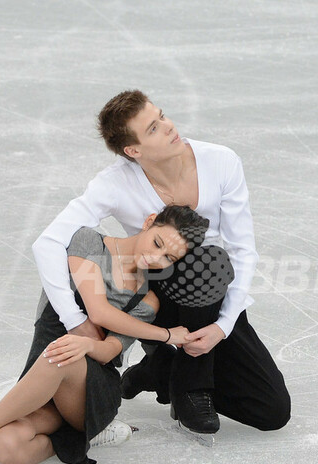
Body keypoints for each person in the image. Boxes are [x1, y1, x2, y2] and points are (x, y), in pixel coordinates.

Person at [32, 90, 290, 436]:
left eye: (163, 116)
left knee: (271, 410)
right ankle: (189, 389)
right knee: (201, 259)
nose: (169, 127)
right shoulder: (115, 183)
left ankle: (161, 371)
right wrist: (75, 320)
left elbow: (243, 250)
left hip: (211, 297)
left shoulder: (220, 161)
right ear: (133, 151)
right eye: (153, 128)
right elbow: (47, 242)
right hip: (156, 298)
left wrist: (224, 325)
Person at [0, 206, 209, 464]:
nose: (156, 258)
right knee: (7, 448)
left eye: (169, 258)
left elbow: (110, 351)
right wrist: (167, 334)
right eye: (157, 244)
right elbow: (98, 311)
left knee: (61, 353)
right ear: (148, 223)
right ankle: (88, 437)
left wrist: (88, 345)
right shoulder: (89, 242)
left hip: (89, 393)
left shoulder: (147, 299)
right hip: (43, 377)